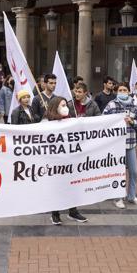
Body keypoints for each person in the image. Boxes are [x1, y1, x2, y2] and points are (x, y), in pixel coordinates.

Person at [43, 96, 88, 225]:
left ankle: (73, 212)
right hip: (55, 162)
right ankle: (55, 214)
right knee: (57, 188)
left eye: (66, 105)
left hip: (70, 161)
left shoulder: (71, 121)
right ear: (55, 107)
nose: (66, 108)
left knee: (72, 186)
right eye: (62, 105)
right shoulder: (46, 122)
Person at [103, 83, 137, 208]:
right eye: (120, 90)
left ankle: (131, 196)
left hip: (130, 143)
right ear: (116, 92)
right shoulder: (111, 105)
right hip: (116, 145)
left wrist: (132, 121)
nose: (122, 92)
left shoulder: (134, 106)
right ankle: (118, 198)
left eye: (124, 90)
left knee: (134, 172)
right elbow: (103, 121)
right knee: (118, 173)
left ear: (128, 91)